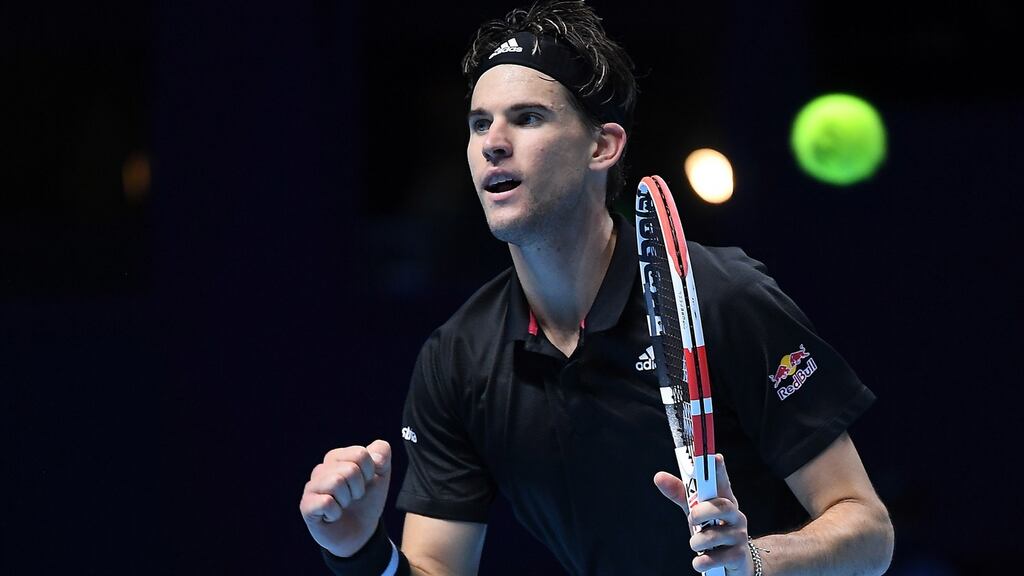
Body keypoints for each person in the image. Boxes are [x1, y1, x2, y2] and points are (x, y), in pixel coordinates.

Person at [299, 1, 895, 574]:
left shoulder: (722, 298)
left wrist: (754, 563)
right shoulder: (458, 362)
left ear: (603, 146)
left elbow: (867, 532)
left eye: (527, 117)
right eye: (479, 123)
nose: (492, 143)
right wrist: (361, 555)